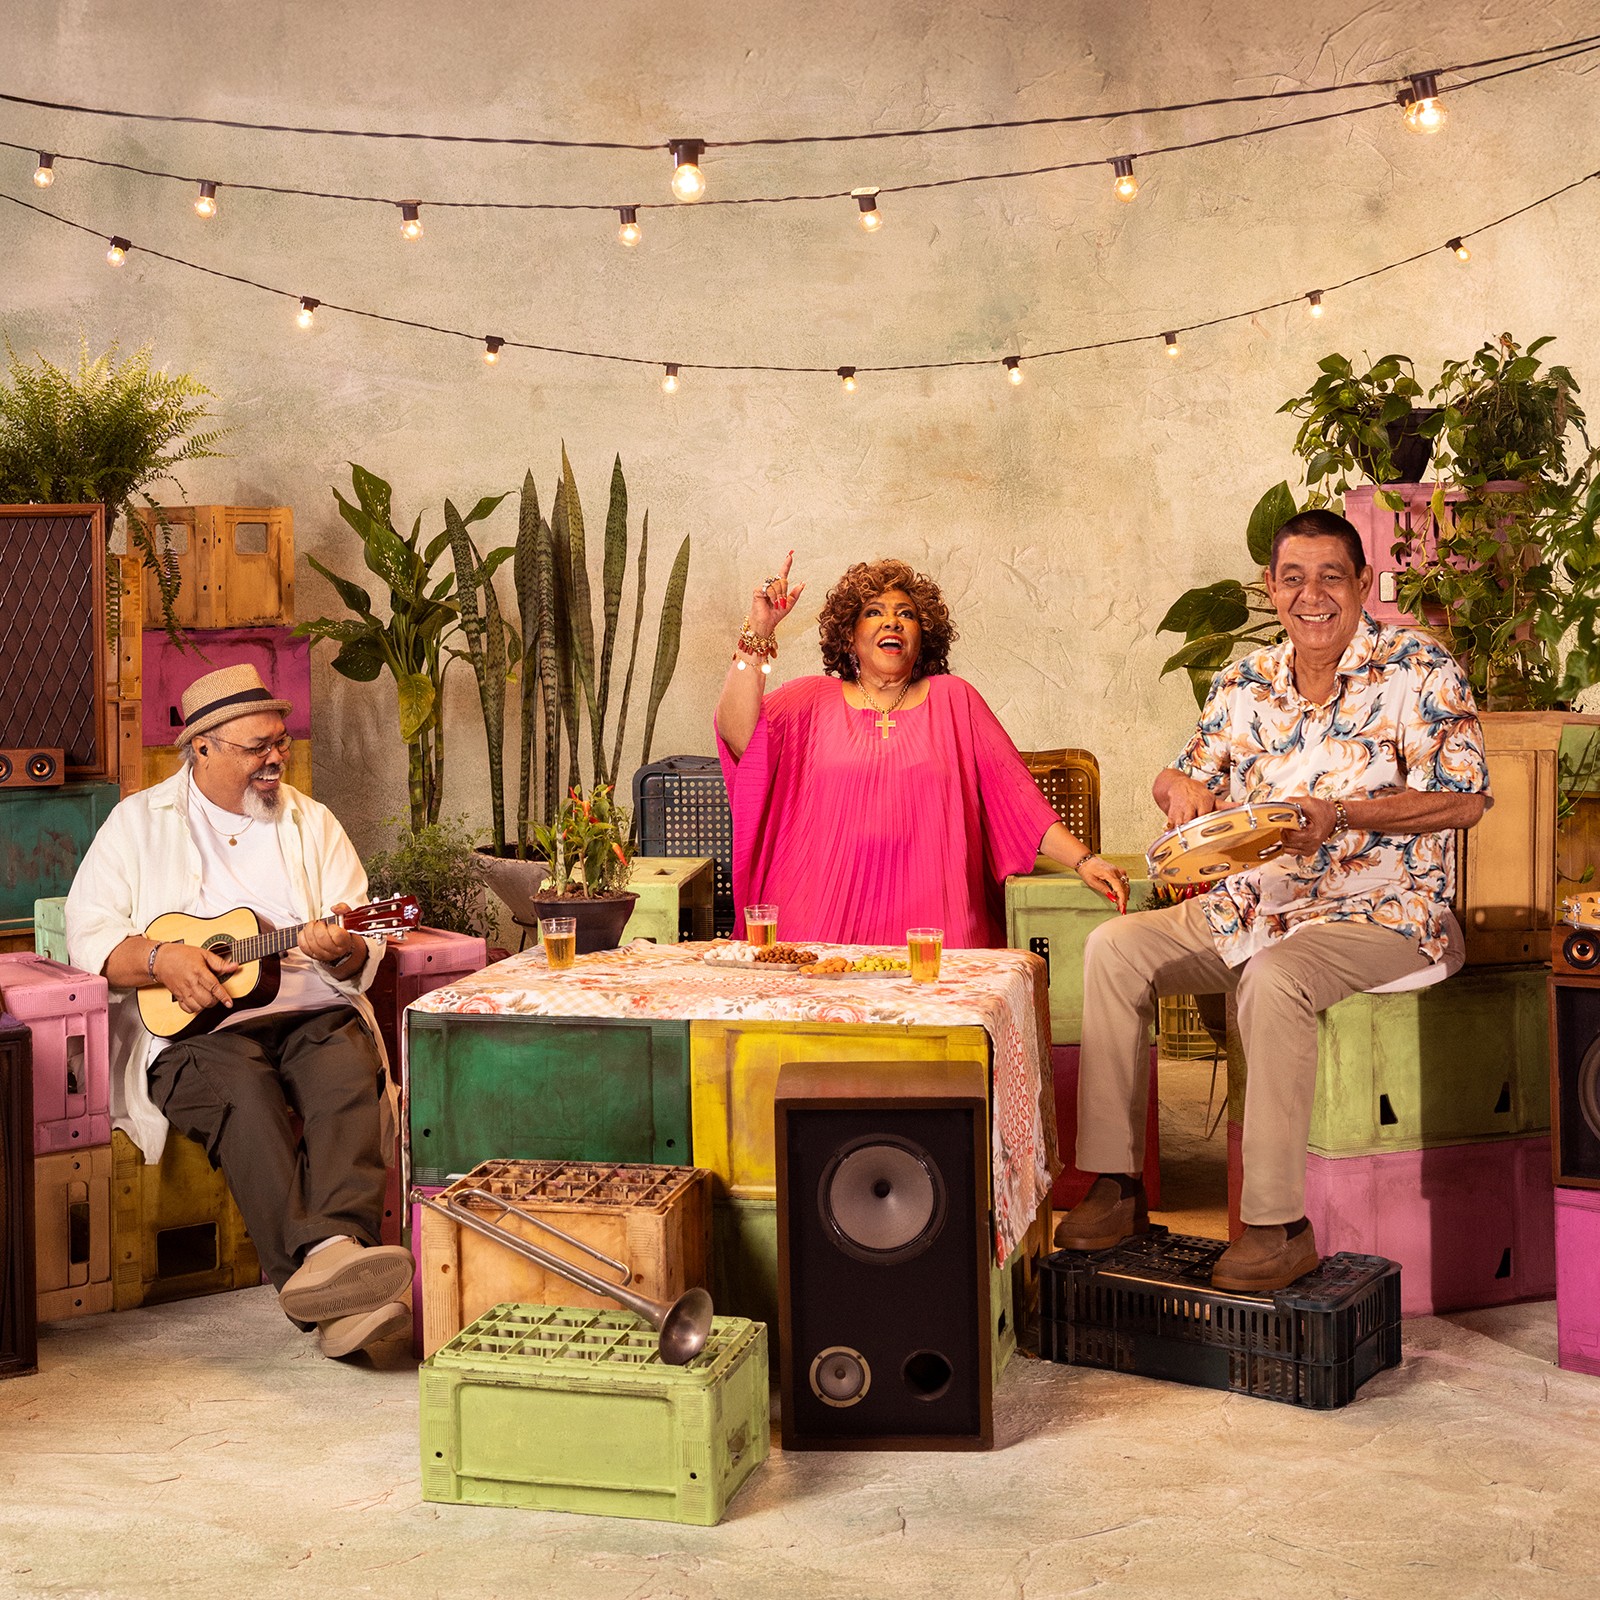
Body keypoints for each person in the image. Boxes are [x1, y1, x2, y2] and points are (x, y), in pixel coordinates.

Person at [1057, 510, 1492, 1292]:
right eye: (1294, 579)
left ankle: (1275, 1226)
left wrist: (1343, 814)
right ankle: (1117, 1186)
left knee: (1276, 976)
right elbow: (1178, 774)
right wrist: (1179, 790)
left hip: (1382, 910)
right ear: (1271, 586)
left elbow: (1464, 800)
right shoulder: (1244, 681)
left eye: (1331, 577)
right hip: (1255, 906)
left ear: (1364, 583)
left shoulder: (1420, 668)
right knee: (1113, 948)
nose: (1311, 596)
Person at [65, 664, 414, 1358]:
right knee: (243, 1100)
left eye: (280, 742)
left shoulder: (311, 822)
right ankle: (336, 1274)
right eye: (257, 746)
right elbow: (89, 935)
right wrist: (163, 959)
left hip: (311, 1007)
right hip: (196, 1032)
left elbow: (360, 945)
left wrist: (343, 947)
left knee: (347, 1077)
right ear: (202, 747)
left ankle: (330, 1276)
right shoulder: (137, 823)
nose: (275, 758)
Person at [714, 554, 1127, 946]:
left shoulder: (956, 700)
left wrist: (1084, 860)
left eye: (906, 614)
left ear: (922, 636)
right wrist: (759, 631)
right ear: (850, 636)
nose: (892, 621)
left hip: (937, 933)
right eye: (874, 612)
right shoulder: (808, 700)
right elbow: (736, 734)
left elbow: (1019, 801)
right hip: (819, 926)